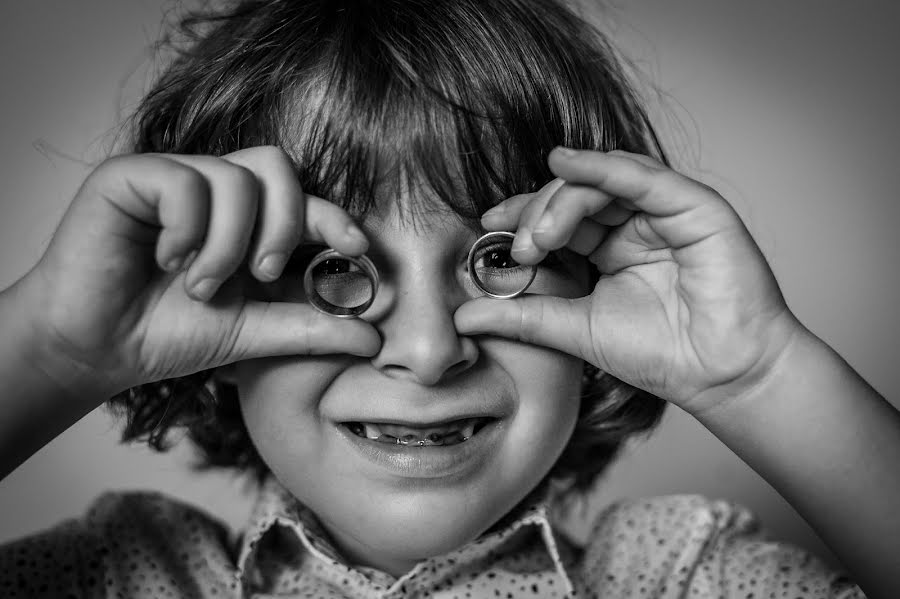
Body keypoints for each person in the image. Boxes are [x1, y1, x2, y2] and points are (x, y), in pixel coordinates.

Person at [0, 0, 896, 597]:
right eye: (334, 264)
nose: (429, 352)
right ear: (210, 309)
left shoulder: (685, 578)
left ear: (600, 286)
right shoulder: (119, 576)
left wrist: (761, 377)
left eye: (498, 259)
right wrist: (51, 350)